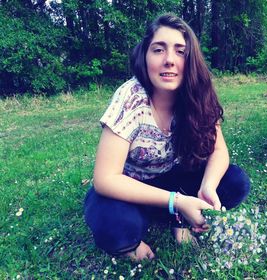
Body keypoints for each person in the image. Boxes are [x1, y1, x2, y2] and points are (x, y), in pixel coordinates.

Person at [84, 13, 250, 261]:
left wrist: (207, 186)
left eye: (180, 51)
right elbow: (105, 179)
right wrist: (178, 201)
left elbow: (218, 150)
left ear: (191, 59)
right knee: (116, 226)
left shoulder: (198, 94)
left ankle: (179, 223)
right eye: (158, 50)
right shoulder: (130, 97)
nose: (169, 60)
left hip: (176, 180)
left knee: (235, 182)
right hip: (131, 188)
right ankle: (134, 240)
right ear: (145, 56)